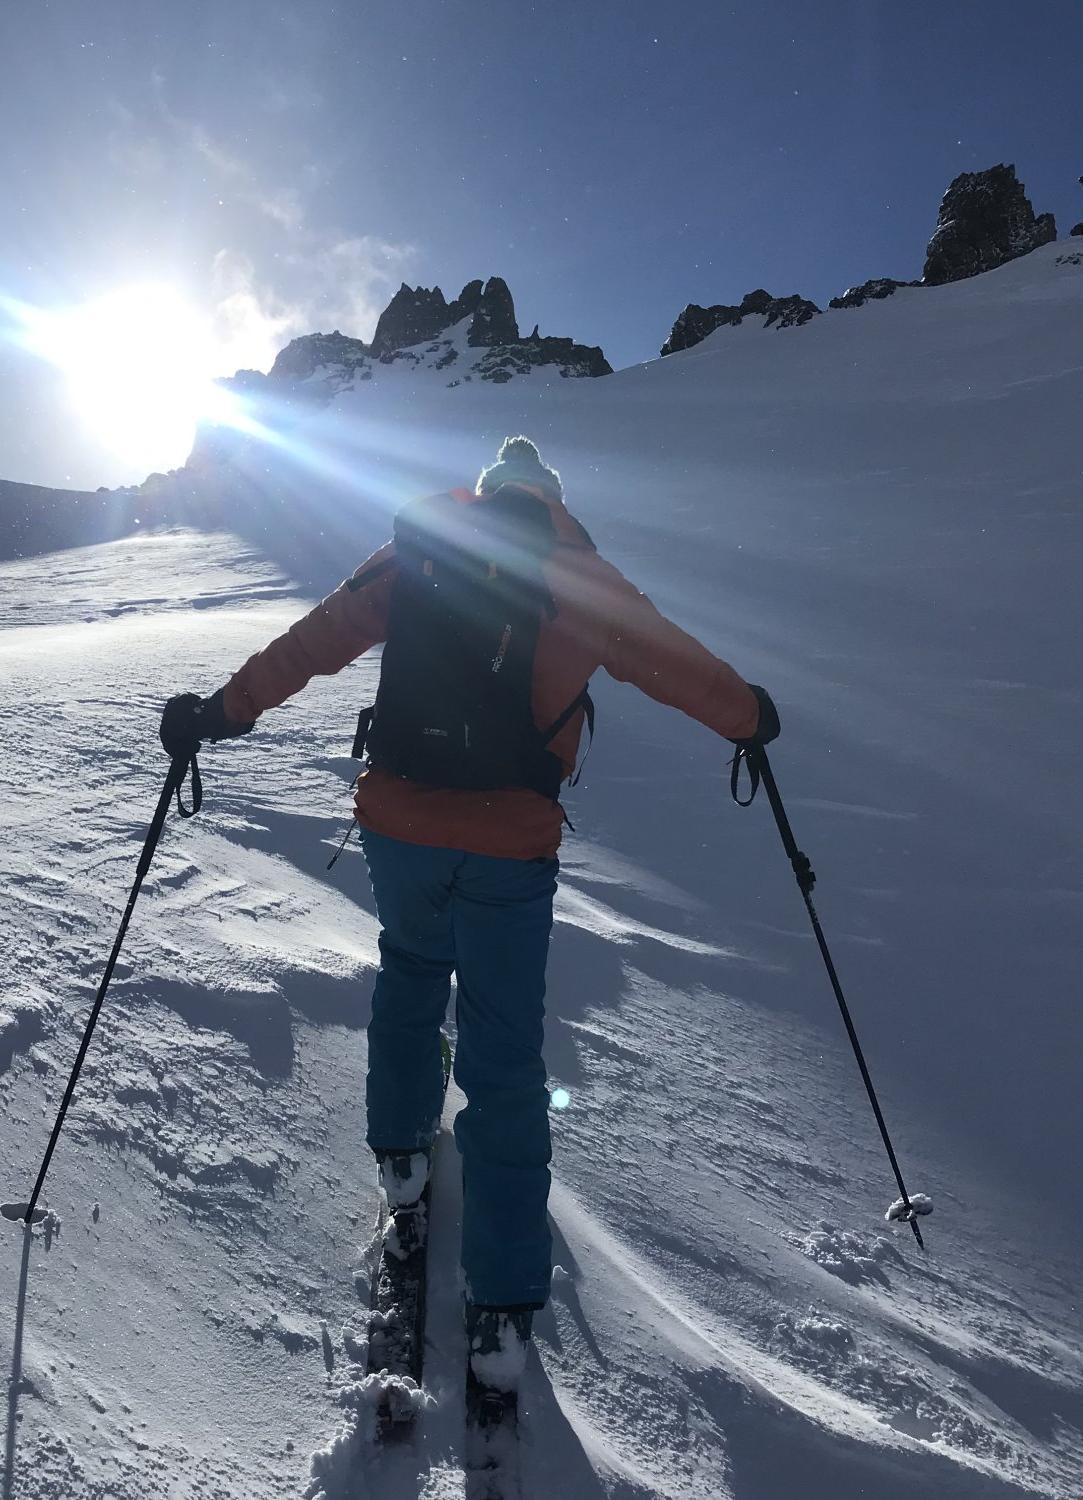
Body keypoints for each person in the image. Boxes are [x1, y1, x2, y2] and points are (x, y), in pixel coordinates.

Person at [161, 435, 778, 1380]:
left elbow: (315, 641)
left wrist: (219, 711)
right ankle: (502, 1300)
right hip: (511, 841)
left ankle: (403, 1165)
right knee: (504, 1049)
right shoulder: (579, 573)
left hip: (401, 823)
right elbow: (675, 664)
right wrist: (750, 717)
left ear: (486, 492)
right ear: (552, 499)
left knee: (411, 973)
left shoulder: (424, 545)